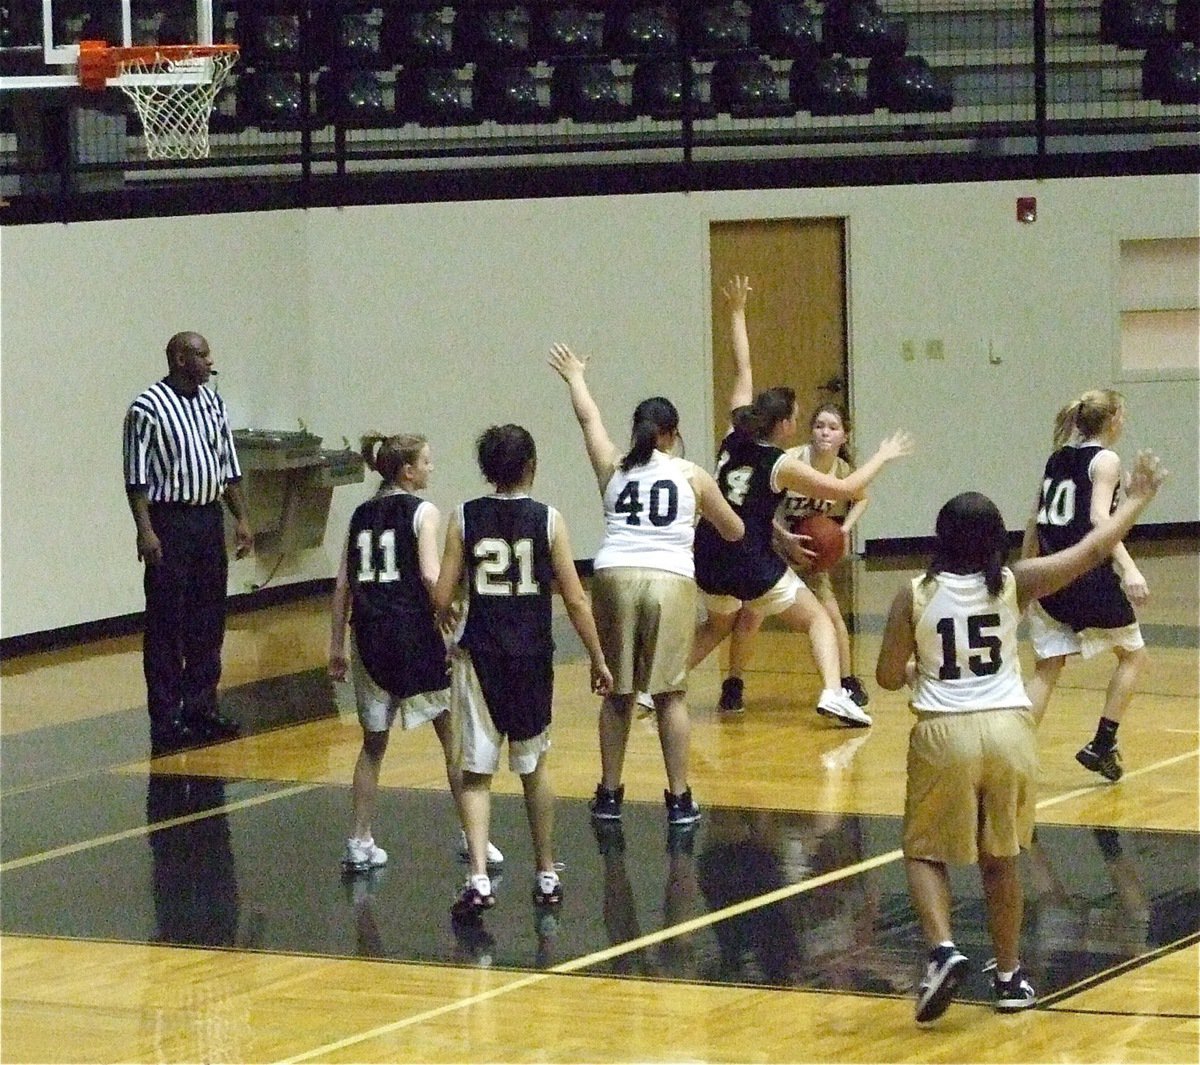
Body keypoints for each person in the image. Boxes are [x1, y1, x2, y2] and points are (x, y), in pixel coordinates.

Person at [875, 449, 1166, 1024]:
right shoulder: (1015, 583)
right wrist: (1137, 498)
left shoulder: (913, 593)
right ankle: (1009, 979)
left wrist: (917, 670)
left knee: (924, 850)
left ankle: (943, 950)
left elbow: (886, 677)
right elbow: (1087, 551)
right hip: (1010, 729)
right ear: (994, 539)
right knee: (1002, 857)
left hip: (943, 731)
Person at [692, 276, 913, 727]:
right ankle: (833, 693)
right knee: (818, 621)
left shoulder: (734, 434)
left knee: (717, 625)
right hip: (746, 556)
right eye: (797, 417)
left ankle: (657, 690)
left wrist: (736, 313)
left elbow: (743, 372)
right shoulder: (782, 464)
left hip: (705, 550)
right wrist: (884, 456)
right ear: (787, 425)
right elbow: (848, 492)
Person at [548, 343, 743, 826]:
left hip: (612, 574)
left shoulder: (613, 467)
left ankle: (610, 794)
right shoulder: (691, 474)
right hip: (668, 579)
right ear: (673, 434)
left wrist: (575, 377)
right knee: (670, 695)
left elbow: (589, 421)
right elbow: (734, 531)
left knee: (617, 693)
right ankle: (678, 798)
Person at [433, 424, 612, 918]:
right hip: (532, 655)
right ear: (532, 465)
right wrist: (598, 657)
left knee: (475, 774)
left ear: (487, 469)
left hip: (481, 655)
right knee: (533, 768)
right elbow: (575, 598)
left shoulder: (464, 518)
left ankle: (477, 877)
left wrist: (451, 605)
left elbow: (443, 596)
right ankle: (547, 871)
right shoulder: (549, 519)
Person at [328, 432, 503, 874]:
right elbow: (429, 574)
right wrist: (453, 610)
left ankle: (359, 838)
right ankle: (473, 835)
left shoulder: (360, 514)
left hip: (366, 634)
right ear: (407, 471)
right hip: (410, 634)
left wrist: (335, 645)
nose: (431, 468)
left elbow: (343, 586)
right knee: (452, 737)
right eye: (426, 461)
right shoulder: (423, 512)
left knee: (373, 744)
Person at [122, 331, 254, 755]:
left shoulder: (213, 401)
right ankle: (166, 718)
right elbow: (136, 477)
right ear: (179, 358)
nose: (209, 361)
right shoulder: (147, 407)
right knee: (166, 624)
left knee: (208, 619)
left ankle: (201, 707)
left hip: (206, 517)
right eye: (201, 354)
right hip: (169, 520)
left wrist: (242, 518)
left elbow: (226, 464)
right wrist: (145, 530)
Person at [1022, 389, 1149, 782]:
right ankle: (1102, 743)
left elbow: (1034, 519)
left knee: (1048, 667)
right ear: (1113, 420)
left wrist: (1027, 573)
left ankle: (1014, 752)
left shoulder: (1057, 457)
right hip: (1085, 576)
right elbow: (1098, 519)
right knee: (1133, 655)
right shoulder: (1106, 459)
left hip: (1049, 575)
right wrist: (1129, 568)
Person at [718, 401, 871, 714]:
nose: (824, 432)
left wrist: (843, 530)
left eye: (832, 427)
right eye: (819, 426)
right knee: (750, 617)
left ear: (844, 436)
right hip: (773, 546)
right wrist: (783, 537)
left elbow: (862, 498)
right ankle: (733, 684)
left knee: (831, 617)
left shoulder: (843, 471)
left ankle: (846, 681)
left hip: (812, 554)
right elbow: (758, 507)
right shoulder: (791, 459)